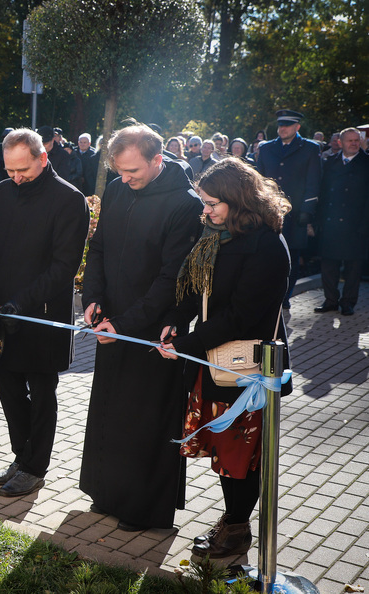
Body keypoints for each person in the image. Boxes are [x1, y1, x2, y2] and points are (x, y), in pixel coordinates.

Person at [157, 157, 291, 560]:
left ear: (238, 200)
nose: (205, 210)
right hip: (213, 360)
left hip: (247, 370)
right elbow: (193, 285)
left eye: (213, 203)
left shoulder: (267, 245)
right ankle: (232, 518)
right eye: (204, 202)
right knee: (224, 452)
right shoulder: (217, 233)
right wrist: (175, 322)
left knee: (241, 456)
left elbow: (242, 316)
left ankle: (237, 528)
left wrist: (186, 345)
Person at [80, 122, 203, 530]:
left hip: (150, 329)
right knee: (110, 413)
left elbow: (172, 279)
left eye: (133, 171)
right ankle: (109, 493)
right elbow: (97, 247)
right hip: (111, 322)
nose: (125, 179)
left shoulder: (184, 204)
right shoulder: (117, 189)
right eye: (120, 171)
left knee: (143, 421)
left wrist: (127, 322)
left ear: (157, 159)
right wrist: (92, 297)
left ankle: (142, 508)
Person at [0, 129, 89, 497]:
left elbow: (62, 268)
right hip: (4, 312)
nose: (15, 177)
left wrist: (20, 303)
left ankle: (35, 467)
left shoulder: (69, 200)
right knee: (8, 389)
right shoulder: (1, 192)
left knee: (42, 393)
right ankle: (19, 456)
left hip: (42, 314)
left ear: (43, 158)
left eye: (22, 169)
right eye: (9, 169)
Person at [256, 109, 322, 308]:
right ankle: (268, 292)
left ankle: (285, 297)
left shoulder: (310, 148)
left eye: (287, 125)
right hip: (269, 211)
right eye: (280, 125)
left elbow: (313, 181)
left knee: (291, 257)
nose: (282, 129)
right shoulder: (267, 148)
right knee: (266, 253)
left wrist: (307, 210)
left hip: (295, 213)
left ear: (297, 127)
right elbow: (259, 179)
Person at [315, 128, 369, 316]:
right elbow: (322, 193)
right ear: (340, 142)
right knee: (329, 265)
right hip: (331, 223)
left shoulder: (366, 163)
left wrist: (365, 225)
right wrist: (318, 221)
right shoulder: (330, 163)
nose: (354, 143)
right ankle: (331, 300)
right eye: (350, 141)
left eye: (357, 140)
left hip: (356, 224)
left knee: (353, 267)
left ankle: (348, 302)